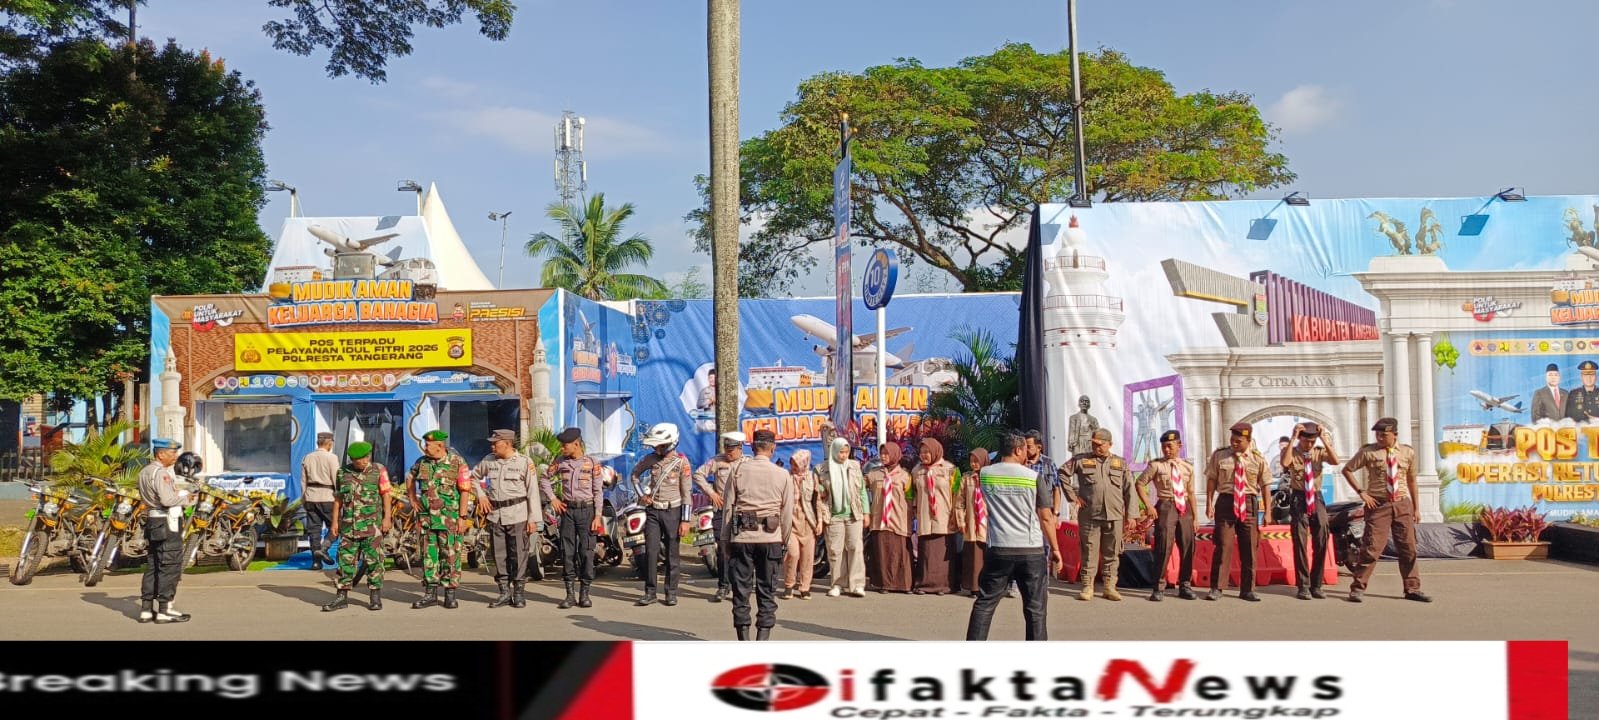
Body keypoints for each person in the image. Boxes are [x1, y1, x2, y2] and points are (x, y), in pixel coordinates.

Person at [965, 433, 1063, 641]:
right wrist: (1055, 549)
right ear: (1018, 450)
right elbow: (1046, 517)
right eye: (1025, 449)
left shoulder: (985, 474)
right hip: (1030, 549)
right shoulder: (1032, 477)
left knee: (985, 604)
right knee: (1035, 609)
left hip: (999, 547)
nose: (1027, 454)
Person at [1340, 418, 1431, 603]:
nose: (1380, 438)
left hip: (1402, 503)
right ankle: (1357, 588)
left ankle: (1412, 588)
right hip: (1378, 505)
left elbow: (1412, 480)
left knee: (1408, 548)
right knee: (1371, 548)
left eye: (1384, 435)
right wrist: (1362, 493)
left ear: (1395, 435)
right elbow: (1347, 469)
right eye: (1377, 435)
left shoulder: (1407, 452)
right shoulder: (1368, 452)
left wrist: (1416, 508)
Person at [722, 429, 796, 640]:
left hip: (742, 538)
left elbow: (728, 508)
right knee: (767, 591)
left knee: (741, 590)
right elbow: (787, 513)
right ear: (773, 449)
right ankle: (762, 640)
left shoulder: (738, 470)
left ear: (753, 447)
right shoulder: (782, 475)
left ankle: (743, 639)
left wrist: (725, 540)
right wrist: (784, 541)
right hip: (771, 539)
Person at [321, 441, 393, 612]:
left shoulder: (379, 470)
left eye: (364, 458)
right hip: (349, 528)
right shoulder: (343, 473)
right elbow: (338, 499)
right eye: (357, 460)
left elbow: (386, 495)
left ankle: (375, 597)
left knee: (375, 562)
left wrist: (387, 518)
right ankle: (341, 597)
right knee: (345, 563)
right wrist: (335, 522)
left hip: (372, 527)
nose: (361, 462)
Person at [1063, 427, 1133, 601]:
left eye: (1100, 444)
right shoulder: (1081, 460)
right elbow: (1062, 473)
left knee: (1112, 552)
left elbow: (1129, 489)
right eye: (1094, 444)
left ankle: (1110, 586)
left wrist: (1131, 515)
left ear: (1110, 444)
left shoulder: (1120, 463)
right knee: (1089, 551)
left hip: (1114, 515)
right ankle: (1088, 586)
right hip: (1090, 515)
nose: (1096, 447)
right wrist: (1073, 496)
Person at [407, 429, 474, 610]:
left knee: (451, 556)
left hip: (449, 519)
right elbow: (410, 478)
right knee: (429, 556)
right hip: (427, 519)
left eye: (428, 444)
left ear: (439, 445)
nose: (425, 447)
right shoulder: (421, 462)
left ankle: (450, 595)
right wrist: (412, 499)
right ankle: (430, 594)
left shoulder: (457, 462)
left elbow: (465, 491)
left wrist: (462, 517)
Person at [1204, 422, 1271, 602]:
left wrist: (1268, 512)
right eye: (1232, 440)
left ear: (1248, 440)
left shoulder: (1257, 459)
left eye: (1238, 441)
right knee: (1223, 545)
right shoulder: (1220, 455)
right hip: (1226, 502)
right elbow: (1211, 479)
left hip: (1249, 503)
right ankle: (1217, 587)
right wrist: (1209, 503)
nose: (1234, 443)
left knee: (1249, 547)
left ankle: (1248, 589)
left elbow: (1265, 485)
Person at [474, 429, 540, 609]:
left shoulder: (524, 462)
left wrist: (533, 519)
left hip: (518, 514)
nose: (492, 446)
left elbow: (533, 491)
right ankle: (504, 592)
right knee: (499, 555)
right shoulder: (488, 460)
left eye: (496, 443)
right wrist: (481, 495)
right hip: (496, 515)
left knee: (519, 555)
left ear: (508, 443)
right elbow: (473, 478)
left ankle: (518, 593)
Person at [543, 426, 607, 609]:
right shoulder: (560, 462)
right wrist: (553, 499)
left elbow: (598, 491)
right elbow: (544, 479)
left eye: (565, 445)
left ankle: (585, 593)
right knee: (567, 553)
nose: (562, 448)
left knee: (586, 552)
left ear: (576, 444)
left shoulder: (592, 463)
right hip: (568, 511)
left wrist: (598, 516)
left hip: (587, 511)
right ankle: (570, 594)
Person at [630, 423, 693, 606]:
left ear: (670, 443)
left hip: (673, 511)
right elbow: (634, 475)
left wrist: (685, 520)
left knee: (672, 553)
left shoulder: (681, 462)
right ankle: (650, 592)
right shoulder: (650, 459)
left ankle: (671, 592)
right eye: (655, 445)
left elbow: (687, 493)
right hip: (653, 511)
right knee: (651, 552)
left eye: (660, 445)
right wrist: (642, 495)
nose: (656, 449)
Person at [137, 438, 194, 623]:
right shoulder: (161, 473)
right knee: (169, 565)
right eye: (172, 453)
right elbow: (167, 500)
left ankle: (146, 609)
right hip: (167, 521)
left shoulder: (145, 471)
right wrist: (186, 499)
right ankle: (164, 609)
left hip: (153, 520)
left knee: (153, 565)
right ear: (160, 454)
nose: (175, 456)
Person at [1136, 430, 1197, 601]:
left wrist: (1196, 518)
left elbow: (1191, 492)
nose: (1166, 450)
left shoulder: (1187, 467)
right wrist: (1149, 506)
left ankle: (1185, 585)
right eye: (1163, 447)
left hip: (1184, 506)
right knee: (1163, 547)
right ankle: (1158, 587)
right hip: (1166, 505)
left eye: (1170, 446)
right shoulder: (1156, 465)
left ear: (1179, 445)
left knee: (1188, 547)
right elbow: (1139, 483)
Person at [1281, 422, 1338, 601]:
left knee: (1321, 537)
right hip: (1299, 497)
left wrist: (1324, 439)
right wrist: (1293, 438)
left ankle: (1316, 584)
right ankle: (1303, 586)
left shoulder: (1319, 452)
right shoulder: (1292, 451)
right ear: (1300, 438)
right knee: (1300, 541)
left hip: (1316, 496)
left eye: (1312, 441)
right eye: (1306, 441)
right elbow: (1285, 463)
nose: (1309, 444)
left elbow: (1335, 461)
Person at [817, 429, 869, 598]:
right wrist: (821, 489)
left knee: (855, 548)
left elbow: (862, 491)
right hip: (833, 516)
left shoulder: (854, 466)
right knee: (835, 550)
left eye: (846, 452)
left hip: (854, 514)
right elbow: (818, 492)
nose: (844, 455)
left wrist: (866, 512)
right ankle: (837, 584)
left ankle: (857, 584)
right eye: (841, 452)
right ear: (834, 451)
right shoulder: (822, 469)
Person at [694, 431, 745, 602]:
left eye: (732, 450)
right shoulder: (717, 461)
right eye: (726, 449)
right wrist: (711, 493)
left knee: (742, 549)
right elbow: (698, 475)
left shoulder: (748, 463)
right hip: (722, 511)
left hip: (740, 511)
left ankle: (740, 585)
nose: (728, 453)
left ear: (740, 448)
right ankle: (723, 585)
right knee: (723, 550)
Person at [912, 438, 961, 595]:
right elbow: (912, 493)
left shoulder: (951, 470)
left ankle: (944, 585)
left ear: (936, 451)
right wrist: (914, 510)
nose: (924, 455)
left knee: (943, 553)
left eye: (927, 452)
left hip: (944, 517)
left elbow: (958, 493)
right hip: (925, 516)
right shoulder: (916, 471)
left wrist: (956, 514)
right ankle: (924, 585)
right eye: (921, 452)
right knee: (926, 553)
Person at [865, 442, 914, 593]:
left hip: (898, 519)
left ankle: (903, 584)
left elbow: (911, 498)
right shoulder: (873, 474)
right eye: (882, 453)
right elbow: (859, 488)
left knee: (899, 552)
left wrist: (911, 516)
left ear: (895, 455)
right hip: (879, 520)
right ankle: (883, 584)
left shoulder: (906, 476)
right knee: (882, 552)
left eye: (887, 453)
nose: (883, 456)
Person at [781, 450, 826, 599]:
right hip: (790, 521)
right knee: (793, 554)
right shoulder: (786, 477)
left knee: (807, 558)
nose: (794, 466)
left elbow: (817, 501)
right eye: (792, 463)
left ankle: (804, 587)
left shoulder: (812, 477)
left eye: (797, 463)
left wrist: (820, 521)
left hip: (808, 521)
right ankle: (789, 585)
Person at [954, 447, 991, 596]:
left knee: (987, 555)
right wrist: (961, 521)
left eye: (977, 461)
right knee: (973, 556)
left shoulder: (991, 478)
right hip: (971, 522)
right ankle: (974, 587)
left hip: (987, 522)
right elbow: (960, 502)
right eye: (971, 461)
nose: (973, 464)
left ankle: (988, 586)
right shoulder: (966, 478)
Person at [300, 432, 339, 569]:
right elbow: (336, 479)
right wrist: (340, 497)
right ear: (329, 443)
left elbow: (303, 481)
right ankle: (324, 548)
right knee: (336, 526)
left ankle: (316, 562)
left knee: (314, 530)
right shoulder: (332, 458)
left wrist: (304, 498)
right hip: (328, 496)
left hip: (311, 496)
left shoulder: (307, 457)